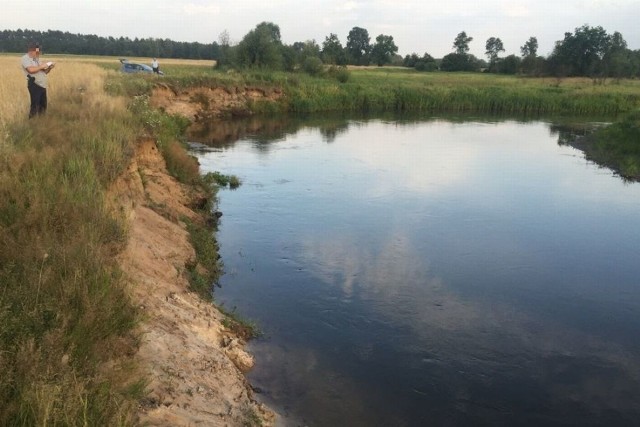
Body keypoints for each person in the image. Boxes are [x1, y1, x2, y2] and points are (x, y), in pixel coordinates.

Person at [21, 42, 55, 118]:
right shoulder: (25, 58)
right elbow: (30, 70)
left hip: (42, 85)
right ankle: (32, 122)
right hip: (34, 84)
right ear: (31, 50)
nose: (38, 52)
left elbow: (44, 72)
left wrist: (49, 67)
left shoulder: (36, 59)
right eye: (37, 51)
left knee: (43, 106)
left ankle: (41, 122)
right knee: (35, 105)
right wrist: (42, 65)